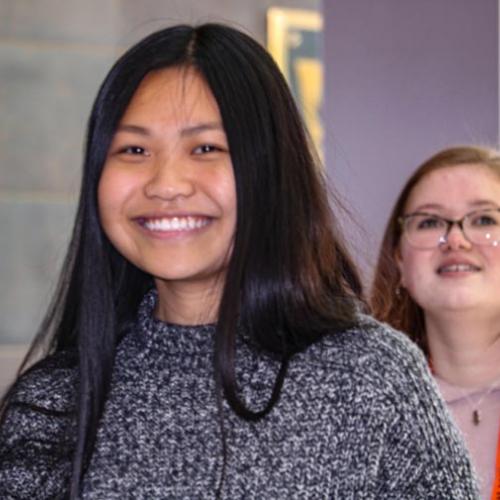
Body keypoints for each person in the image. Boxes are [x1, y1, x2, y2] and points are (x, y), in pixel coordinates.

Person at [0, 24, 478, 499]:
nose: (166, 184)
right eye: (134, 150)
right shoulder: (51, 405)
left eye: (206, 148)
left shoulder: (371, 377)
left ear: (270, 169)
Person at [371, 145, 500, 499]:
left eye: (484, 220)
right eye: (429, 222)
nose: (456, 240)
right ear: (399, 260)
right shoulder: (362, 408)